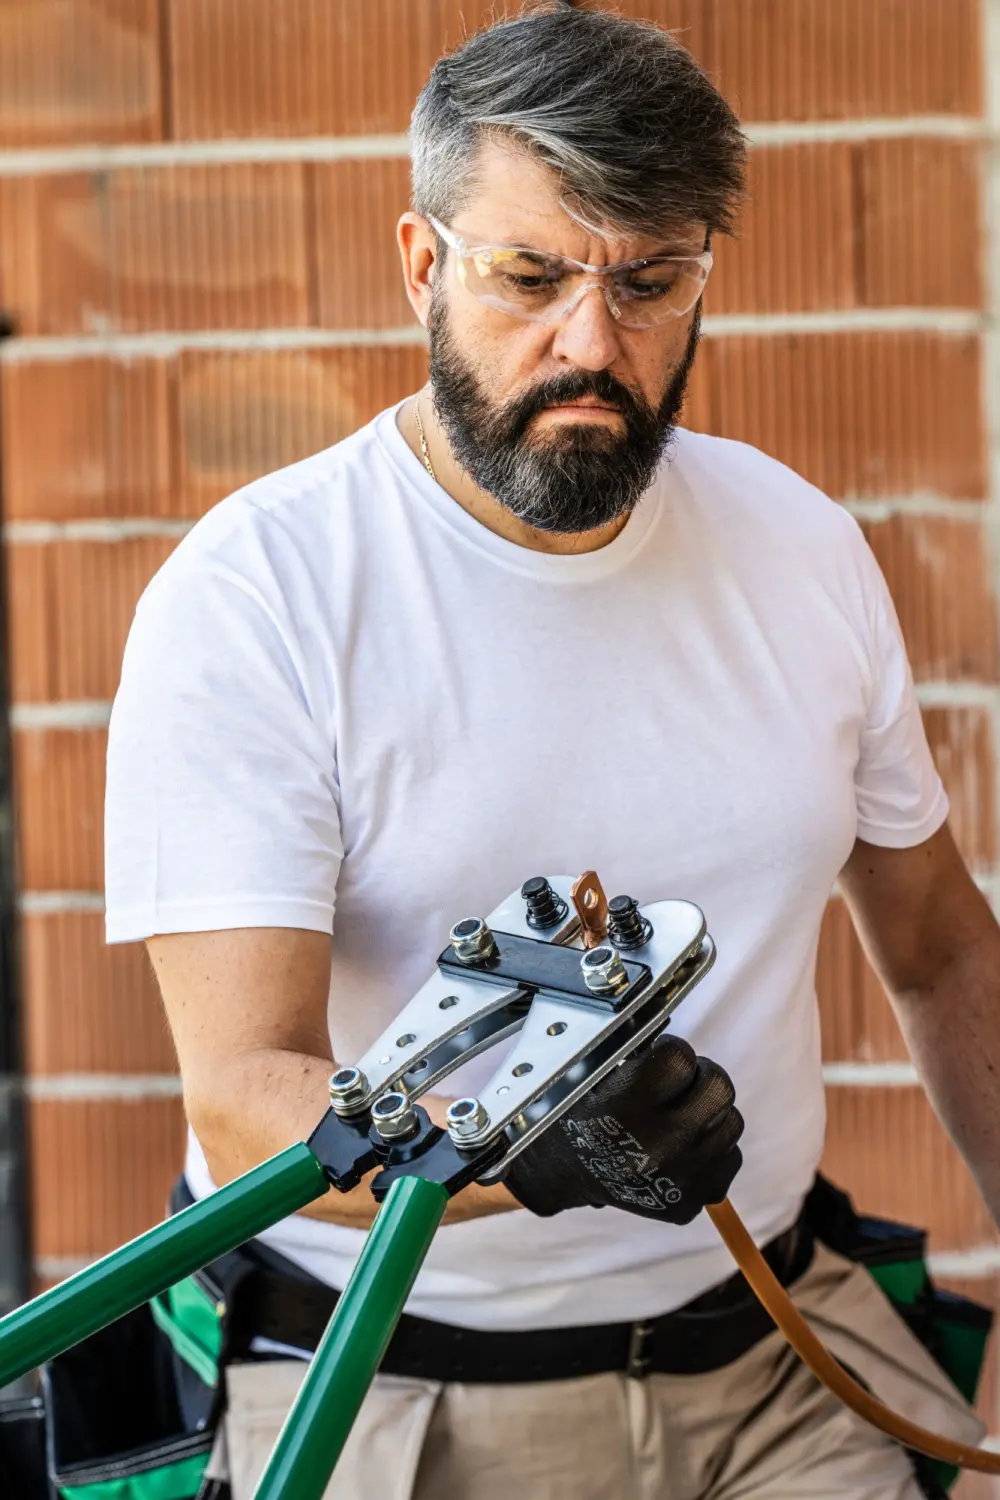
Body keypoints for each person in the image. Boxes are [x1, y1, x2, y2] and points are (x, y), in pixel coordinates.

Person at [104, 4, 1000, 1497]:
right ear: (422, 263)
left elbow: (943, 946)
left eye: (650, 282)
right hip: (403, 1389)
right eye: (530, 277)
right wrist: (520, 1152)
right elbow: (244, 1097)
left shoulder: (799, 547)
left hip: (783, 1357)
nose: (592, 343)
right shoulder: (259, 595)